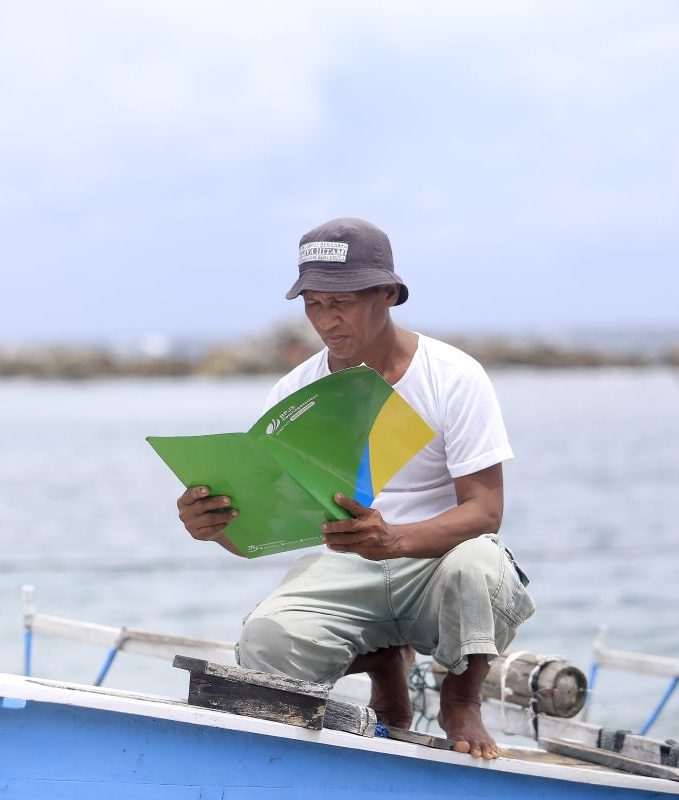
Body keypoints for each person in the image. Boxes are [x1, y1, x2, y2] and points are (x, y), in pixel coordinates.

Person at [175, 217, 534, 759]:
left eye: (340, 300)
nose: (326, 320)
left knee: (480, 564)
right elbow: (267, 528)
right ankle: (384, 667)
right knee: (265, 638)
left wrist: (393, 540)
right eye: (313, 304)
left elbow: (485, 512)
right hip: (343, 566)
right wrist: (213, 527)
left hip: (437, 561)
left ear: (388, 293)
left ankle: (460, 699)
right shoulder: (295, 390)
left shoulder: (452, 375)